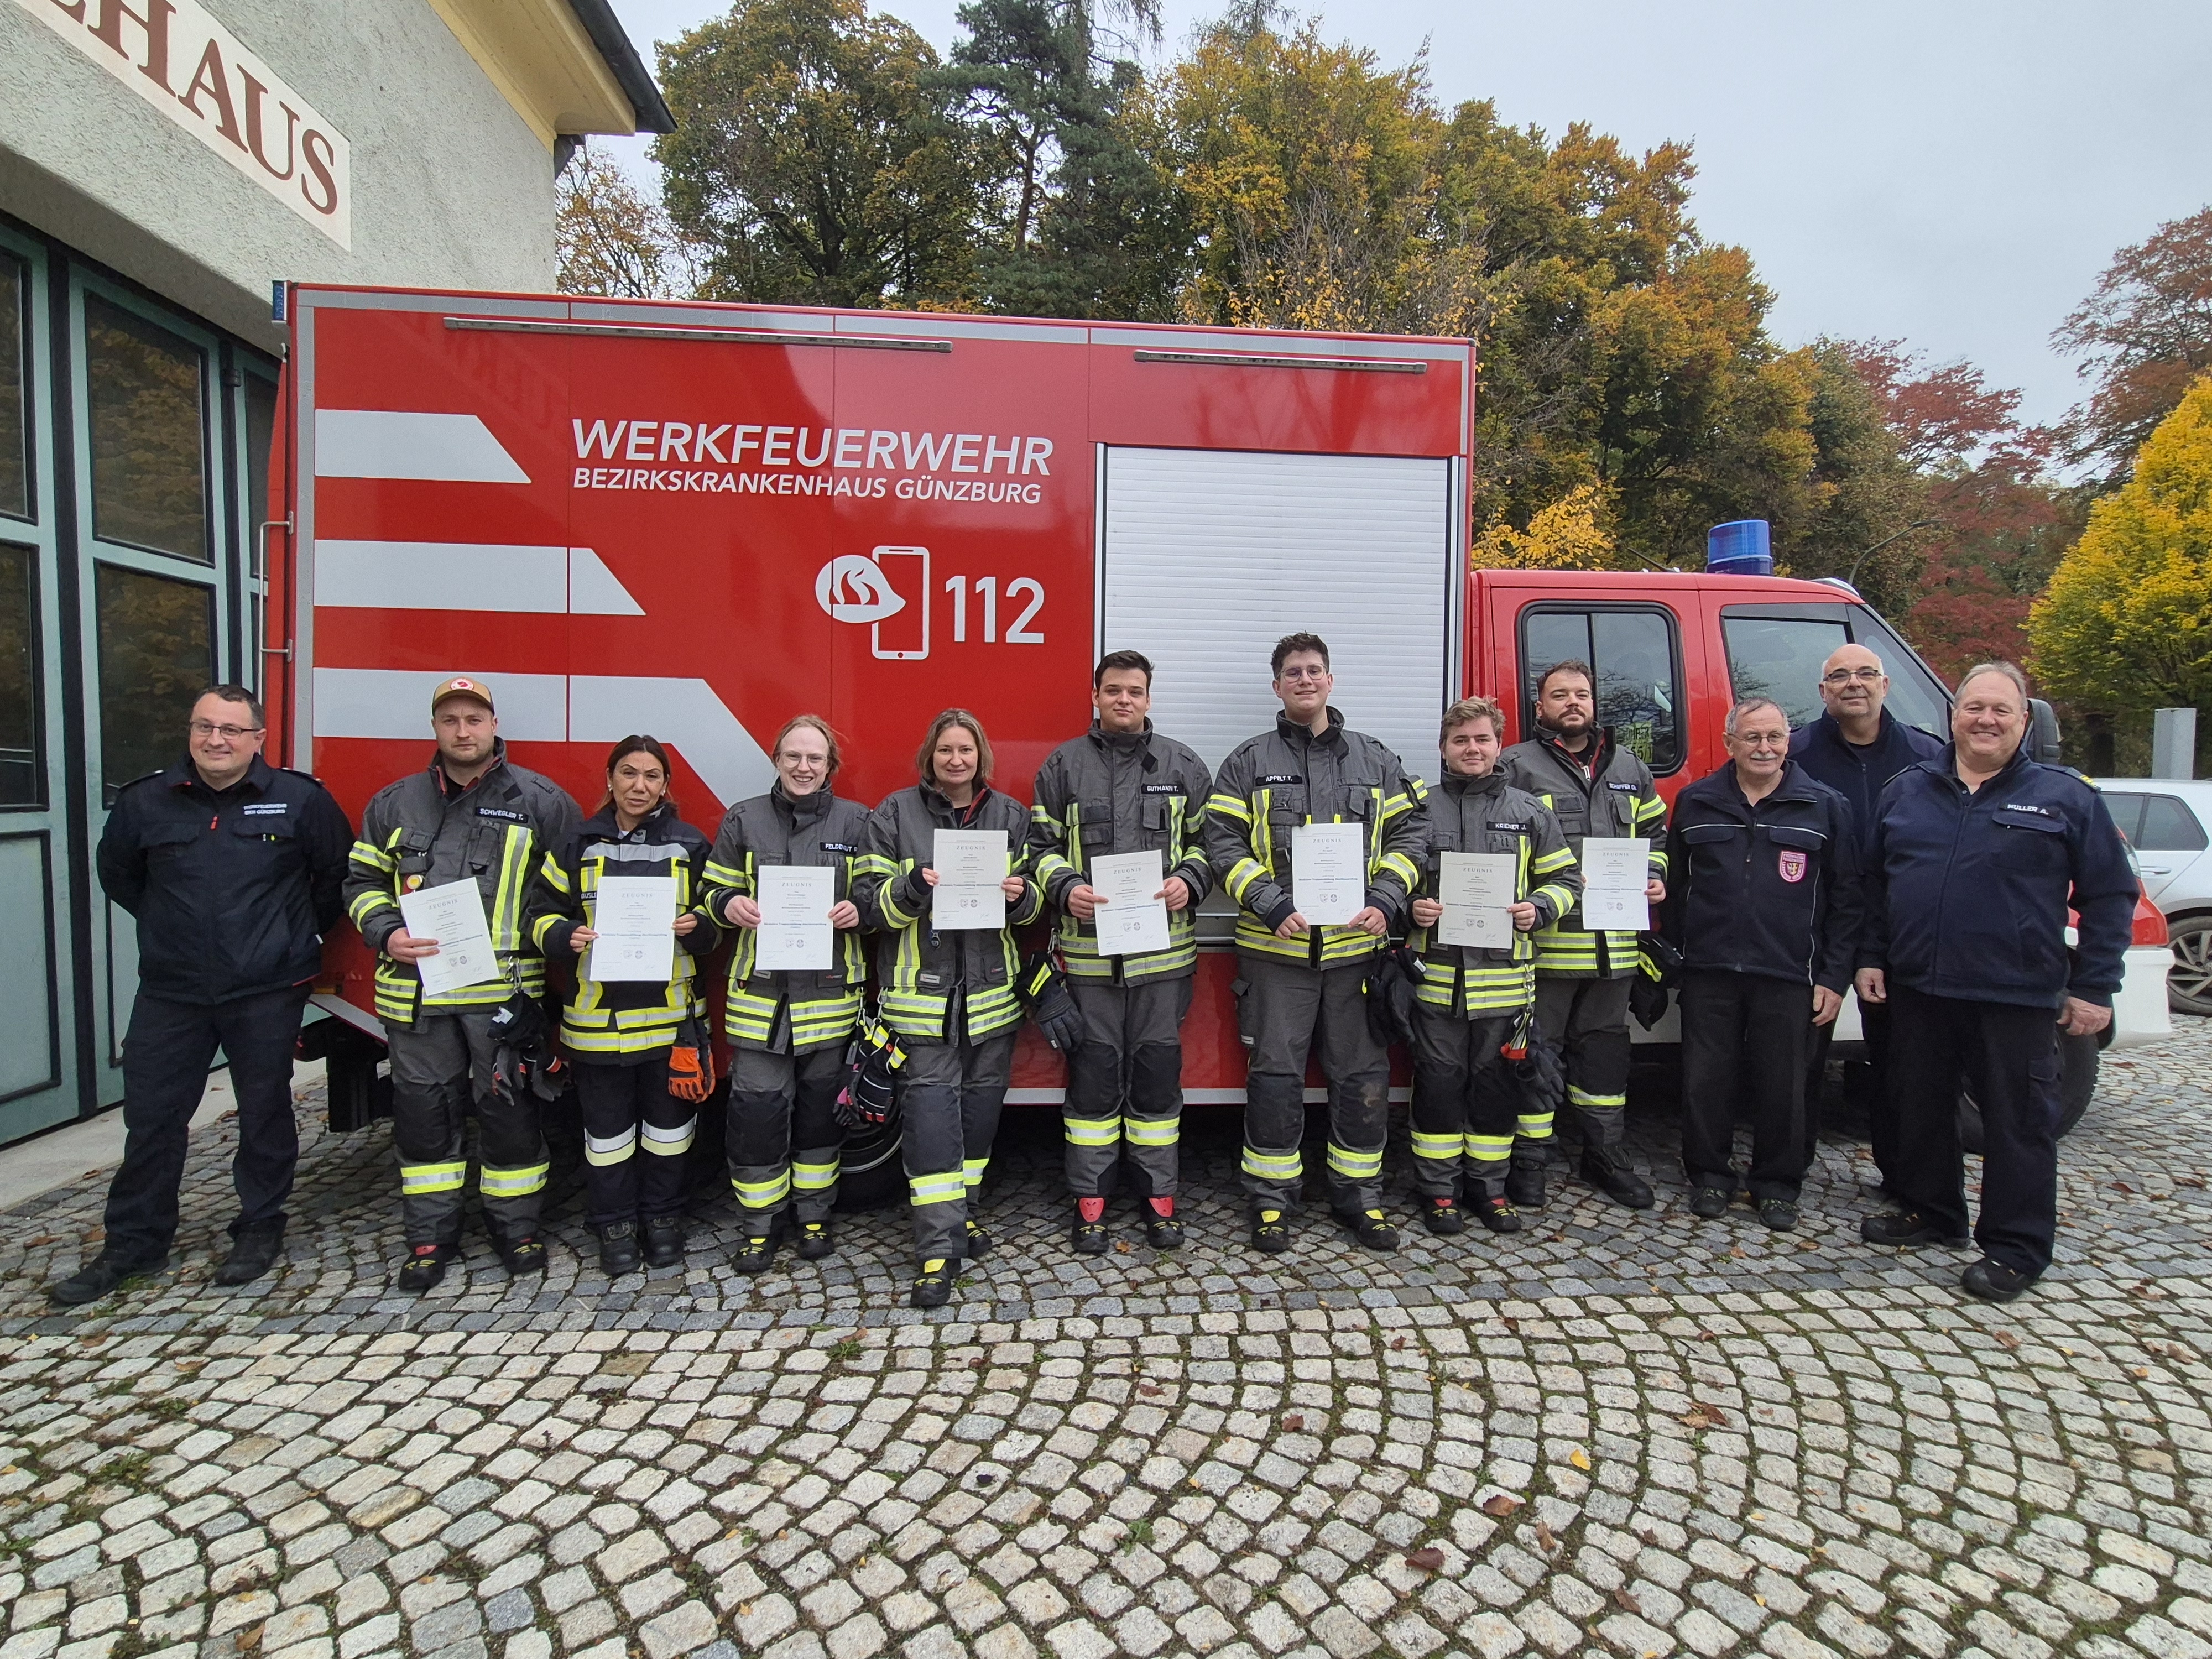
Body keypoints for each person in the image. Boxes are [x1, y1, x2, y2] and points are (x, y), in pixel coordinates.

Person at [50, 687, 353, 1305]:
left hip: (266, 988)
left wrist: (288, 938)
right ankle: (134, 1244)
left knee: (265, 1113)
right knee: (153, 1119)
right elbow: (121, 876)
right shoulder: (146, 802)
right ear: (190, 733)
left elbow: (333, 877)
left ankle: (258, 1228)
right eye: (206, 728)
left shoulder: (299, 800)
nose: (217, 741)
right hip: (173, 990)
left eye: (232, 731)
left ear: (258, 739)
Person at [1856, 662, 2136, 1302]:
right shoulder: (1908, 790)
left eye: (2000, 711)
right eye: (1973, 708)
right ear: (1952, 716)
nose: (1984, 720)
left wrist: (2094, 987)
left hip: (2013, 994)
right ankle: (1933, 1213)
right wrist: (1871, 957)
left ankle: (2015, 1247)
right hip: (1920, 987)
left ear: (2022, 721)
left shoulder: (2066, 797)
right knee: (1919, 1109)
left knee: (2017, 1124)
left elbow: (2111, 894)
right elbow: (1876, 884)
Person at [345, 677, 580, 1292]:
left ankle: (516, 1228)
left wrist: (549, 934)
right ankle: (430, 1237)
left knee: (509, 1116)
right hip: (417, 998)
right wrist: (387, 932)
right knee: (424, 1117)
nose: (463, 730)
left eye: (474, 718)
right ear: (435, 728)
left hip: (501, 997)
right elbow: (359, 883)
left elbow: (564, 895)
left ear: (494, 724)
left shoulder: (540, 802)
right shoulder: (394, 803)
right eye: (450, 719)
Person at [1205, 633, 1428, 1253]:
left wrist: (1386, 900)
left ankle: (1360, 1197)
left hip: (1356, 955)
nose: (1305, 680)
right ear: (1276, 687)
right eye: (1293, 673)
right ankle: (1271, 1200)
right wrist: (1270, 903)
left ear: (1331, 680)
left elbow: (1413, 837)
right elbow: (1222, 842)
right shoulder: (1247, 761)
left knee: (1361, 1075)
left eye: (1314, 671)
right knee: (1273, 1075)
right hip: (1277, 956)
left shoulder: (1375, 760)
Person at [853, 709, 1042, 1308]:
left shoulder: (1011, 816)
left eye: (965, 750)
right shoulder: (894, 814)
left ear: (979, 755)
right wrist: (914, 885)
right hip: (922, 1005)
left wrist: (1020, 897)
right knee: (933, 1127)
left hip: (991, 1006)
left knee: (978, 1127)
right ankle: (937, 1249)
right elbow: (868, 905)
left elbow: (1039, 904)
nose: (955, 760)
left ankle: (964, 1215)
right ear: (929, 757)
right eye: (944, 751)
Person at [1028, 651, 1216, 1254]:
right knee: (1093, 1084)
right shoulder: (1062, 766)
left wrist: (1189, 879)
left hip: (1164, 963)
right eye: (1113, 690)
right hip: (1087, 964)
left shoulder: (1184, 765)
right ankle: (1090, 1201)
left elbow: (1213, 845)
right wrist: (1064, 887)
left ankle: (1159, 1199)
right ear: (1095, 695)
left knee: (1158, 1084)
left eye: (1134, 691)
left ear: (1148, 698)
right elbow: (1038, 847)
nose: (1124, 700)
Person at [1662, 700, 1861, 1231]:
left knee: (1786, 1085)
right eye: (1752, 737)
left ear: (1788, 740)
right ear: (1730, 743)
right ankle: (1710, 1176)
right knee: (1706, 1081)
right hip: (1711, 970)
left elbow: (1847, 902)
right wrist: (1677, 958)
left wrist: (1835, 978)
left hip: (1791, 973)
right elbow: (1677, 889)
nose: (1765, 748)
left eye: (1775, 736)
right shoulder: (1696, 802)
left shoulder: (1825, 806)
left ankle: (1777, 1184)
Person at [528, 736, 722, 1275]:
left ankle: (663, 1222)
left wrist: (701, 928)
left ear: (666, 786)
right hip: (598, 1028)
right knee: (607, 1139)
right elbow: (537, 915)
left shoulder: (689, 845)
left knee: (669, 1135)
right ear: (610, 778)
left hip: (671, 1025)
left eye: (652, 776)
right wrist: (562, 934)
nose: (640, 786)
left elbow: (716, 923)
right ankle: (613, 1226)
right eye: (629, 774)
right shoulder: (577, 845)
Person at [698, 716, 872, 1272]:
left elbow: (876, 893)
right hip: (760, 1002)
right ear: (776, 759)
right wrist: (729, 905)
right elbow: (712, 886)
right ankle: (758, 1226)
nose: (803, 767)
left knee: (821, 1118)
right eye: (793, 756)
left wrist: (860, 911)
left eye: (814, 759)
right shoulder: (743, 818)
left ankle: (814, 1216)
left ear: (830, 768)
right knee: (757, 1116)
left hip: (828, 1001)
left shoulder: (859, 822)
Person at [1404, 697, 1580, 1235]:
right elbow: (1392, 882)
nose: (1471, 749)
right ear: (1443, 749)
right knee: (1437, 1087)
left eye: (1481, 739)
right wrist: (1413, 908)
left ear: (1498, 745)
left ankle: (1489, 1187)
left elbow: (1566, 883)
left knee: (1495, 1089)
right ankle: (1438, 1191)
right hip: (1436, 985)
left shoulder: (1530, 812)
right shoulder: (1418, 811)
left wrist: (1540, 908)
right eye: (1460, 741)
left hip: (1505, 985)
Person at [1499, 660, 1669, 1209]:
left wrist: (1655, 877)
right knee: (1536, 1056)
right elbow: (1498, 846)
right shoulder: (1515, 767)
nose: (1572, 703)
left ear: (1594, 703)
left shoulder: (1630, 768)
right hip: (1545, 949)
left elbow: (1655, 836)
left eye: (1582, 694)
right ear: (1539, 707)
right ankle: (1528, 1163)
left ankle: (1605, 1157)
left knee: (1604, 1060)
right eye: (1559, 695)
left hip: (1613, 951)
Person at [1787, 643, 1945, 1186]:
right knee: (1802, 1061)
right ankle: (1789, 1174)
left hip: (1898, 925)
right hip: (1816, 924)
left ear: (1885, 685)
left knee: (1902, 1062)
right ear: (1822, 691)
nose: (1853, 684)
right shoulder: (1795, 752)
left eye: (1865, 674)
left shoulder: (1928, 757)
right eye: (1839, 676)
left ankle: (1903, 1178)